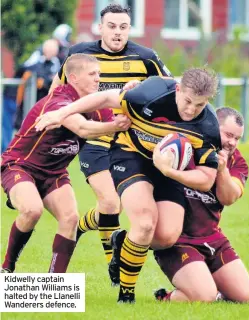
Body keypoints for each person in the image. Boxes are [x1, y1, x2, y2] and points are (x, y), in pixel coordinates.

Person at [35, 66, 221, 303]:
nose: (191, 110)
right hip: (130, 155)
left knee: (166, 237)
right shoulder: (150, 93)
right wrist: (61, 114)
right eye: (187, 101)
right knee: (144, 222)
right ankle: (126, 295)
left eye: (200, 105)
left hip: (170, 170)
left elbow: (206, 179)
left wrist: (169, 171)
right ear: (177, 88)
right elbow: (104, 97)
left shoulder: (208, 127)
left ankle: (122, 241)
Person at [49, 3, 172, 279]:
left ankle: (83, 226)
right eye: (112, 26)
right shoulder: (78, 55)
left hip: (131, 144)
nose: (117, 33)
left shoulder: (146, 57)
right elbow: (57, 93)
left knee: (120, 208)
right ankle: (113, 267)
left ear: (129, 29)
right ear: (100, 27)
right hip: (93, 138)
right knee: (110, 203)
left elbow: (170, 92)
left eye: (123, 27)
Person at [0, 54, 131, 274]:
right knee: (32, 210)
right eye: (92, 74)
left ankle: (55, 283)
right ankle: (7, 267)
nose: (98, 79)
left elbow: (119, 113)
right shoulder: (59, 101)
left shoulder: (91, 102)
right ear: (73, 78)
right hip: (21, 166)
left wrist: (132, 94)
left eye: (99, 73)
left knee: (70, 219)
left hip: (55, 173)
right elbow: (83, 129)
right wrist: (116, 126)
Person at [153, 107, 249, 303]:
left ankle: (204, 282)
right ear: (212, 125)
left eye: (237, 138)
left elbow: (229, 198)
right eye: (228, 135)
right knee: (205, 297)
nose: (232, 143)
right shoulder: (183, 145)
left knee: (247, 298)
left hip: (213, 238)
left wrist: (222, 170)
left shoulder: (238, 162)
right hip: (179, 240)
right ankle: (165, 297)